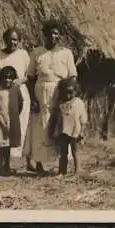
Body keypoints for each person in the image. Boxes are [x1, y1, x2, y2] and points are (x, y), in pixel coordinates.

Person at [23, 20, 78, 175]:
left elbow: (72, 76)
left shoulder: (66, 53)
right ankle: (39, 164)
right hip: (41, 93)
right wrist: (33, 98)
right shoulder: (37, 52)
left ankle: (61, 164)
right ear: (44, 35)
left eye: (56, 33)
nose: (53, 36)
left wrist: (68, 97)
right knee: (40, 126)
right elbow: (31, 77)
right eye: (49, 33)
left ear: (59, 35)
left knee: (60, 126)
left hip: (60, 93)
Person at [0, 27, 32, 166]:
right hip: (2, 95)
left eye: (15, 39)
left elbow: (30, 74)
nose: (12, 42)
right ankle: (3, 165)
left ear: (19, 41)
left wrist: (20, 80)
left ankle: (25, 161)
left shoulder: (23, 55)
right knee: (2, 128)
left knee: (21, 127)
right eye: (9, 39)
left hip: (19, 93)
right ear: (5, 40)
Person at [48, 78, 87, 179]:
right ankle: (62, 171)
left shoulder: (79, 103)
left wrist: (82, 132)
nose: (68, 95)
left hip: (75, 131)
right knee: (63, 153)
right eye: (65, 93)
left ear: (75, 91)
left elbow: (83, 119)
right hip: (63, 131)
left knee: (75, 152)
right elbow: (55, 118)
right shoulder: (60, 104)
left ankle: (77, 172)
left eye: (70, 92)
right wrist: (53, 131)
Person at [0, 66, 24, 176]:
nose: (7, 80)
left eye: (10, 78)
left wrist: (15, 114)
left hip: (10, 120)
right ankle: (0, 166)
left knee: (7, 145)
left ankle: (7, 165)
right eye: (5, 77)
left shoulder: (15, 89)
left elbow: (20, 103)